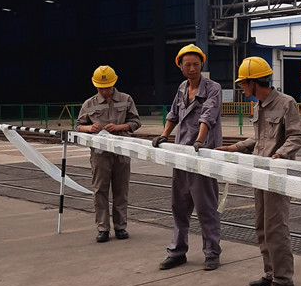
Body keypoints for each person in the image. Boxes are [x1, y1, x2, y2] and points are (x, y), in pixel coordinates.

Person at [218, 56, 301, 286]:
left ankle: (284, 280)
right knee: (262, 226)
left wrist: (280, 155)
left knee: (276, 228)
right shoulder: (258, 106)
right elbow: (258, 139)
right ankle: (271, 273)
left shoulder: (286, 103)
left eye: (243, 84)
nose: (241, 89)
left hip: (277, 174)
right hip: (259, 173)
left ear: (254, 82)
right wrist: (235, 148)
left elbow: (296, 137)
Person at [153, 44, 223, 271]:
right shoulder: (182, 88)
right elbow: (173, 114)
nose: (192, 68)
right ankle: (177, 251)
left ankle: (212, 253)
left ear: (202, 64)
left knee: (206, 207)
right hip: (181, 156)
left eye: (195, 64)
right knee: (179, 206)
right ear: (180, 67)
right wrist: (164, 135)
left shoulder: (213, 88)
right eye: (187, 64)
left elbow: (208, 114)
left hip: (201, 157)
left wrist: (200, 140)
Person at [76, 65, 141, 243]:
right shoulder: (89, 104)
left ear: (114, 83)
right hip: (100, 154)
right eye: (101, 88)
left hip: (121, 151)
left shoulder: (126, 99)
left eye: (108, 87)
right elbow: (78, 126)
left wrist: (120, 127)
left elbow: (136, 122)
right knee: (100, 190)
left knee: (121, 189)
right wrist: (89, 128)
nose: (104, 91)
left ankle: (121, 227)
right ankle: (103, 228)